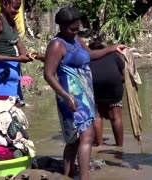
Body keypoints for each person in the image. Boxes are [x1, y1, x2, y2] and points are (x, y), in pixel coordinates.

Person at [43, 6, 125, 180]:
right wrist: (66, 96)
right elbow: (48, 75)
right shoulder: (57, 45)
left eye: (76, 28)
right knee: (86, 135)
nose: (74, 32)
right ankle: (85, 177)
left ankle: (68, 175)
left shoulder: (76, 39)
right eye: (71, 29)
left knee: (74, 141)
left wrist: (112, 48)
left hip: (86, 95)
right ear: (62, 26)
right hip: (70, 96)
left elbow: (91, 54)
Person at [0, 0, 32, 104]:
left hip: (14, 70)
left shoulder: (11, 22)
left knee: (17, 107)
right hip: (2, 72)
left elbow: (18, 44)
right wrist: (17, 58)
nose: (17, 11)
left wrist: (31, 55)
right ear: (5, 4)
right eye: (14, 8)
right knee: (6, 109)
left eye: (18, 8)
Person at [89, 41, 125, 147]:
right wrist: (117, 82)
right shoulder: (113, 55)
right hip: (113, 86)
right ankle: (119, 147)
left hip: (94, 85)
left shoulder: (88, 57)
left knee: (97, 116)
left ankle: (99, 145)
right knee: (116, 117)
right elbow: (125, 74)